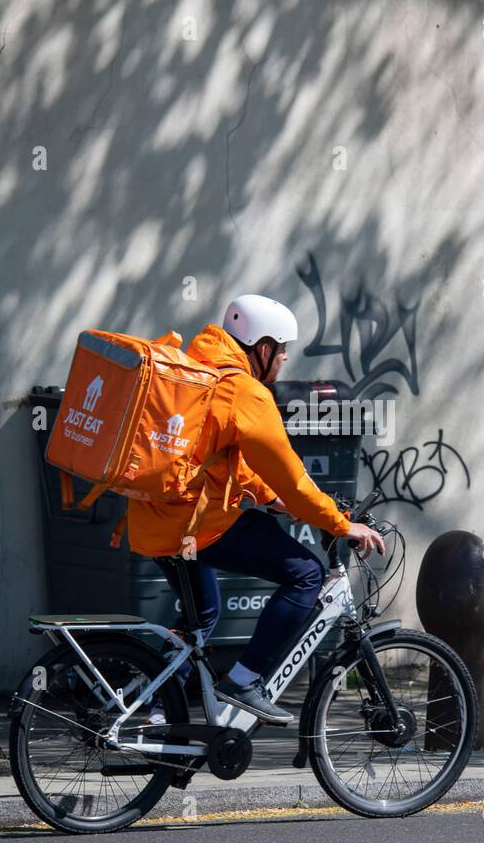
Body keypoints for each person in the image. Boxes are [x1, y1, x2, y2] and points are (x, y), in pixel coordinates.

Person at [127, 294, 385, 726]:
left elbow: (227, 461)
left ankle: (157, 714)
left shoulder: (201, 369)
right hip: (194, 525)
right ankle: (244, 680)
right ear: (262, 348)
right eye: (282, 348)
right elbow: (294, 478)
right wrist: (342, 525)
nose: (285, 357)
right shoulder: (245, 392)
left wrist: (271, 499)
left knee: (202, 617)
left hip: (157, 519)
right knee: (306, 574)